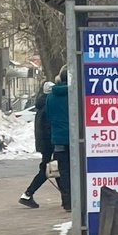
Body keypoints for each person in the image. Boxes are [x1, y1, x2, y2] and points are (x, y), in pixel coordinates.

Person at [19, 82, 54, 209]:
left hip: (44, 143)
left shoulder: (41, 104)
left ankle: (67, 197)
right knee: (48, 169)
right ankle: (28, 193)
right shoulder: (48, 106)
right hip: (49, 143)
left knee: (55, 168)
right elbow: (48, 127)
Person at [45, 68, 73, 212]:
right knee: (79, 170)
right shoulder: (76, 94)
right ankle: (78, 200)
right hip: (77, 140)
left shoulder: (50, 96)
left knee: (64, 171)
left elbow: (48, 117)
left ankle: (67, 202)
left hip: (59, 140)